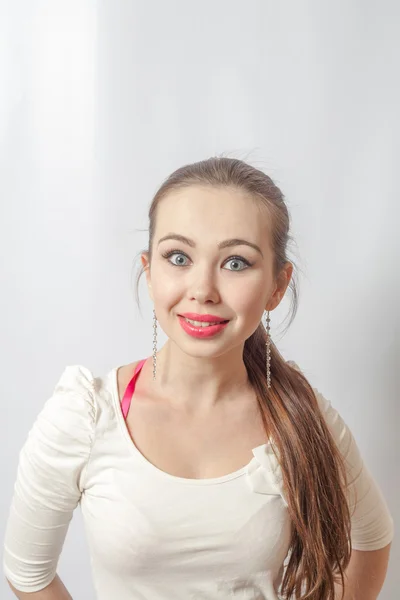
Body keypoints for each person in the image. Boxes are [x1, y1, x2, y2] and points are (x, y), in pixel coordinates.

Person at [3, 157, 394, 600]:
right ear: (150, 272)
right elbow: (28, 572)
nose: (203, 289)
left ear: (277, 286)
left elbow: (371, 540)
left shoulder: (300, 415)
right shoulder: (85, 415)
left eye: (236, 263)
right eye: (179, 257)